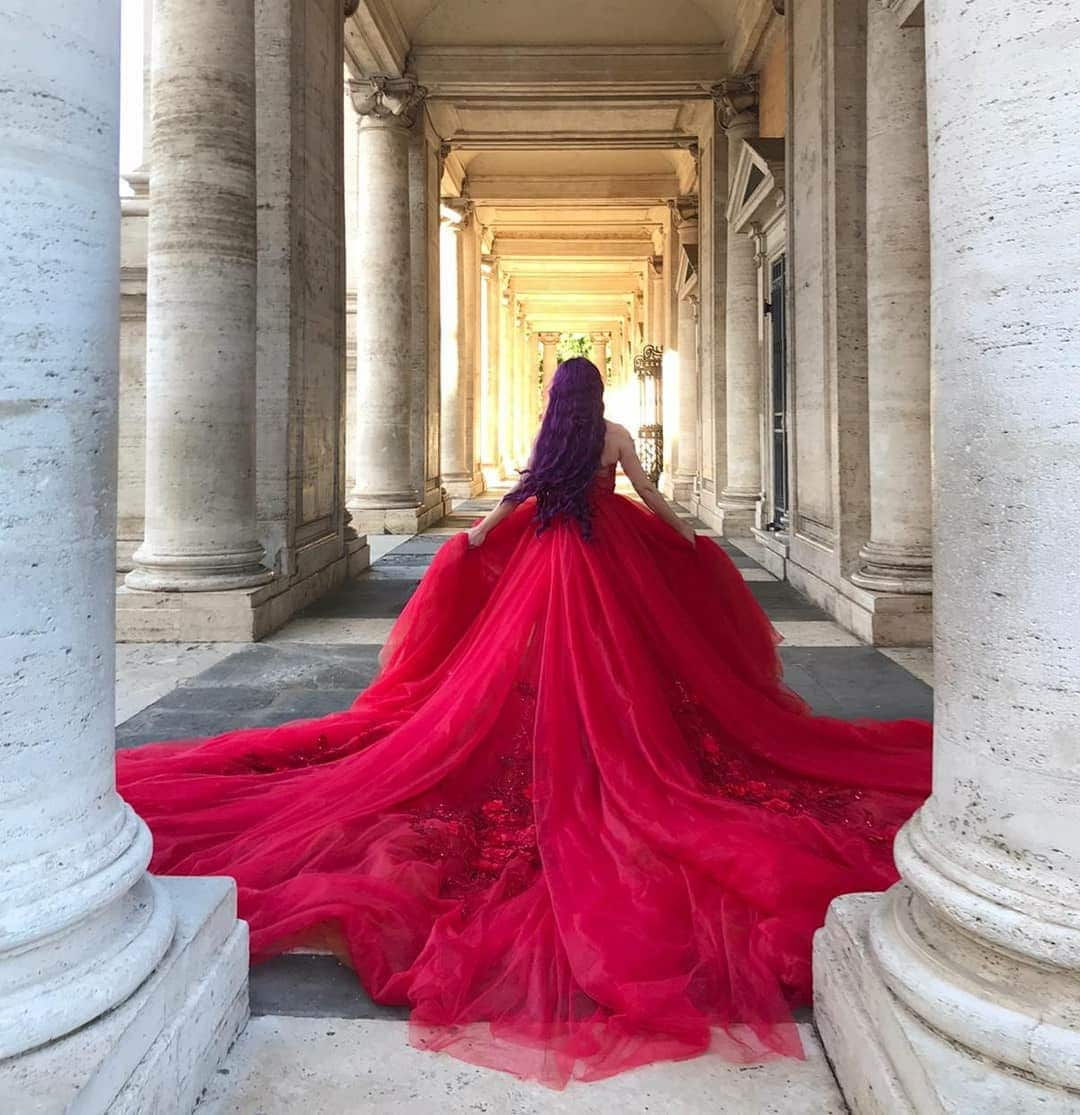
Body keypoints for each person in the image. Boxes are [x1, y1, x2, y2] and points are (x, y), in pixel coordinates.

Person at [117, 356, 931, 1089]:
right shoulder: (613, 435)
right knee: (627, 672)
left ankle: (551, 735)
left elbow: (520, 499)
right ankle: (611, 743)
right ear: (600, 396)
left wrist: (469, 540)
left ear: (556, 398)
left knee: (530, 668)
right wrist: (691, 540)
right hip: (611, 562)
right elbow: (648, 497)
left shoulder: (555, 439)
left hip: (551, 559)